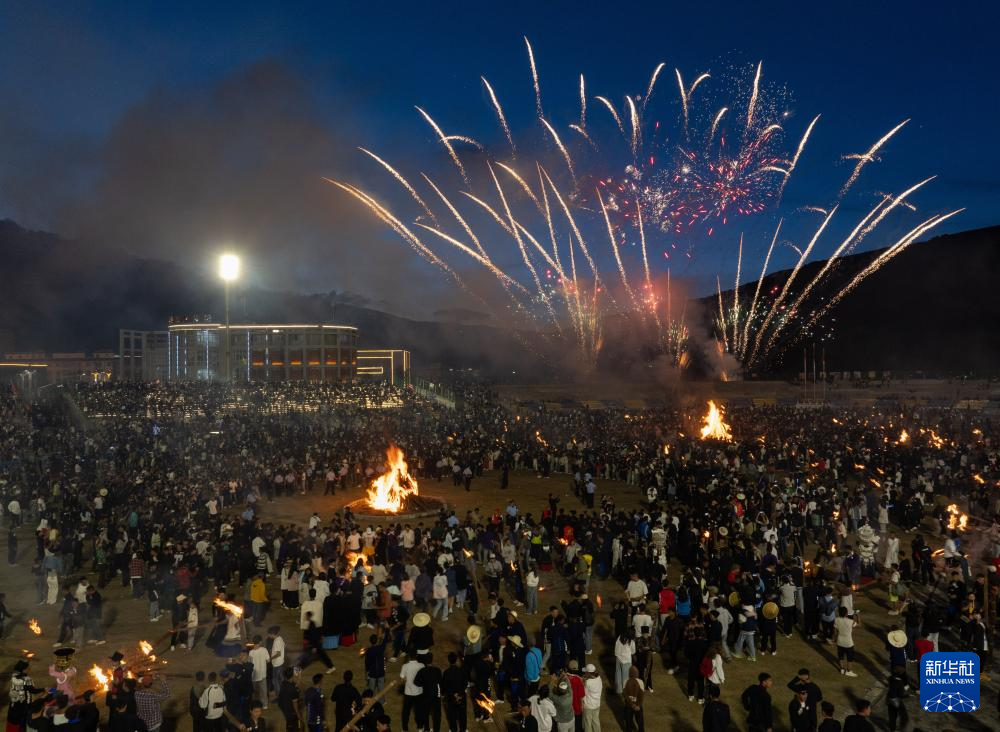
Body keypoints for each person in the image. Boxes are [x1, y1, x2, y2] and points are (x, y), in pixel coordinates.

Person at [441, 653, 467, 732]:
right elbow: (465, 684)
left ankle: (453, 729)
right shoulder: (462, 671)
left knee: (452, 714)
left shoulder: (446, 672)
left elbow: (445, 686)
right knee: (462, 714)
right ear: (456, 660)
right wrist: (460, 693)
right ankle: (463, 729)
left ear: (449, 661)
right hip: (461, 695)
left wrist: (445, 694)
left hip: (451, 697)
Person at [399, 654, 424, 732]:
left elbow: (402, 679)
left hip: (408, 693)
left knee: (406, 712)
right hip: (419, 692)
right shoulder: (421, 665)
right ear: (417, 656)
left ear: (409, 657)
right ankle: (420, 727)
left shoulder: (405, 666)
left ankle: (405, 729)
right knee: (419, 710)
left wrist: (406, 680)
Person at [833, 607, 859, 677]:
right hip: (848, 643)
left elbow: (835, 631)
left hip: (840, 641)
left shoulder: (836, 620)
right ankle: (849, 671)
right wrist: (858, 616)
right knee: (849, 658)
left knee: (841, 656)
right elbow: (859, 625)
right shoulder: (850, 621)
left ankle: (842, 669)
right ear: (846, 613)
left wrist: (835, 639)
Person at [276, 668, 303, 732]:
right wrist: (299, 717)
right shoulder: (293, 690)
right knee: (294, 724)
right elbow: (295, 706)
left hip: (283, 705)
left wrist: (299, 676)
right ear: (292, 676)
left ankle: (288, 728)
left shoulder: (284, 682)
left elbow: (295, 685)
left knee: (289, 721)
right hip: (289, 710)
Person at [886, 666, 910, 732]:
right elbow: (901, 695)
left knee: (891, 716)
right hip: (896, 701)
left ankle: (892, 729)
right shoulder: (900, 683)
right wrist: (908, 695)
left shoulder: (891, 678)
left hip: (889, 699)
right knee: (903, 716)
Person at [621, 666, 644, 732]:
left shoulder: (625, 681)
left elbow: (625, 695)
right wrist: (638, 705)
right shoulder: (640, 682)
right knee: (640, 723)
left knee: (628, 723)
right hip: (638, 706)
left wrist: (631, 705)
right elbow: (641, 696)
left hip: (628, 706)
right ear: (637, 673)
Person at [581, 664, 602, 732]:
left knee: (588, 724)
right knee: (596, 721)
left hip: (589, 706)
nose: (584, 673)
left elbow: (584, 694)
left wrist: (583, 682)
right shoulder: (599, 678)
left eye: (585, 672)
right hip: (597, 705)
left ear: (588, 673)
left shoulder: (588, 682)